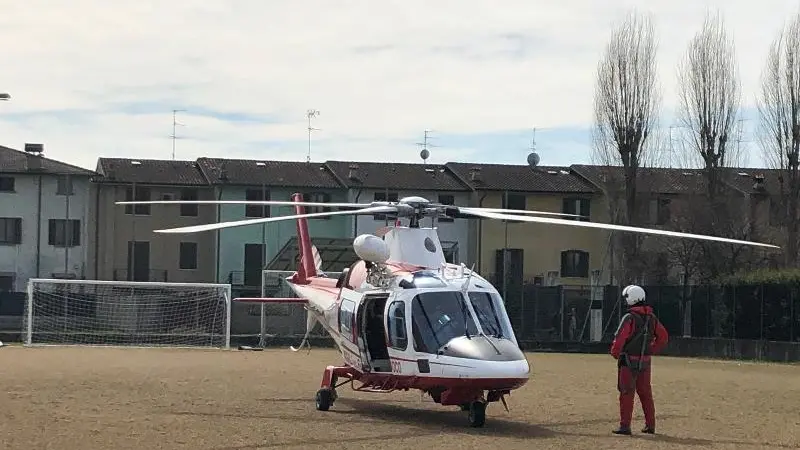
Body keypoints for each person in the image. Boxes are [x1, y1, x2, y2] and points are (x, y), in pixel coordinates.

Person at [610, 284, 669, 436]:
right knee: (645, 393)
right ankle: (650, 425)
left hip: (628, 361)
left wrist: (615, 353)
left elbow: (620, 338)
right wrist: (651, 350)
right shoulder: (652, 318)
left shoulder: (629, 318)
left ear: (631, 298)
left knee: (626, 392)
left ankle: (625, 426)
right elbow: (663, 337)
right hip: (645, 361)